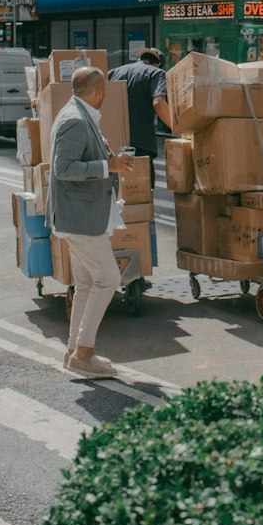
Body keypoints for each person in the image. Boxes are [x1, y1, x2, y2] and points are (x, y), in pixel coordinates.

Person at [50, 65, 135, 380]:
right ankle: (84, 353)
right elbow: (63, 168)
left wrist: (110, 164)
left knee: (86, 283)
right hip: (81, 217)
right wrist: (107, 165)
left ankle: (75, 351)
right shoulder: (74, 120)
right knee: (108, 279)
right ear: (99, 92)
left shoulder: (76, 114)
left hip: (80, 214)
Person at [107, 47, 172, 187]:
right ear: (158, 63)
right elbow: (159, 102)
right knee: (140, 193)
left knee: (119, 191)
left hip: (114, 143)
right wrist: (176, 127)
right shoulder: (157, 73)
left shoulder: (114, 72)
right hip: (140, 144)